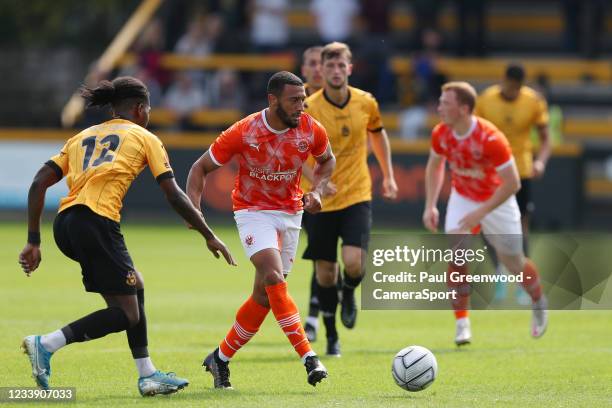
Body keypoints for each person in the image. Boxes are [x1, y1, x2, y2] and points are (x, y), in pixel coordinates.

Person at [18, 76, 235, 395]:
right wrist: (208, 234)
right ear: (139, 109)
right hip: (98, 221)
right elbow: (173, 194)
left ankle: (147, 374)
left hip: (65, 224)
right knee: (125, 314)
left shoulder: (83, 136)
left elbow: (38, 183)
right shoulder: (144, 136)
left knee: (134, 286)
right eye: (147, 109)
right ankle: (47, 344)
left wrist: (34, 240)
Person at [186, 71, 335, 389]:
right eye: (294, 100)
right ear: (273, 100)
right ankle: (309, 358)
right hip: (253, 212)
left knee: (264, 298)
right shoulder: (245, 130)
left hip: (291, 213)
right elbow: (199, 168)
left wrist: (318, 191)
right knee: (273, 277)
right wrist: (194, 210)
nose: (301, 106)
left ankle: (220, 359)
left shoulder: (311, 129)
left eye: (303, 100)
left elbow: (327, 160)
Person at [422, 81, 548, 346]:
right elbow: (435, 166)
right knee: (457, 256)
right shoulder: (441, 133)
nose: (439, 107)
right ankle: (462, 323)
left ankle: (538, 300)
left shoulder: (490, 138)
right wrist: (431, 204)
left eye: (445, 103)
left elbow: (513, 183)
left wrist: (481, 212)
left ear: (464, 108)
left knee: (513, 262)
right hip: (463, 197)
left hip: (497, 201)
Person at [301, 42, 398, 356]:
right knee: (325, 273)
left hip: (357, 193)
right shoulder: (310, 107)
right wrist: (317, 182)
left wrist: (390, 175)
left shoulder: (366, 102)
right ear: (322, 70)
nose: (336, 70)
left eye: (341, 65)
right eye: (330, 66)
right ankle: (331, 336)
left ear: (350, 69)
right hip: (320, 200)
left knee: (354, 264)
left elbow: (378, 134)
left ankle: (349, 292)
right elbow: (295, 150)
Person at [475, 64, 551, 301]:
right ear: (503, 80)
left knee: (521, 227)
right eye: (509, 85)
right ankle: (498, 270)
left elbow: (546, 138)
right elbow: (475, 133)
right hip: (490, 172)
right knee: (485, 224)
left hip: (520, 171)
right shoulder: (486, 100)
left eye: (517, 87)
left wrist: (541, 161)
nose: (512, 90)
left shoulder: (533, 102)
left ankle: (522, 281)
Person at [299, 45, 339, 343]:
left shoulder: (337, 101)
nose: (316, 68)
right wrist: (318, 182)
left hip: (337, 194)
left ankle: (313, 316)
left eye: (319, 63)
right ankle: (314, 315)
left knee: (325, 257)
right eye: (311, 63)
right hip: (303, 194)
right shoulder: (297, 103)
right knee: (320, 256)